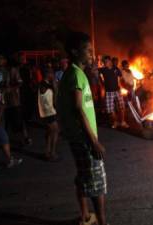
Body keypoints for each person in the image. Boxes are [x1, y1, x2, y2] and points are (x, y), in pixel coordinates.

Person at [58, 32, 108, 225]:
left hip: (78, 137)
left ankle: (86, 216)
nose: (92, 54)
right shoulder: (75, 75)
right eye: (88, 50)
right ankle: (102, 223)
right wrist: (94, 141)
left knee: (83, 177)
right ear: (74, 51)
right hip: (84, 139)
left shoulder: (74, 73)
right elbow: (78, 109)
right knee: (97, 183)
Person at [5, 59, 32, 148]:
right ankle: (5, 141)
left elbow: (20, 83)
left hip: (14, 100)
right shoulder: (4, 71)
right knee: (9, 121)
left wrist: (10, 88)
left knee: (18, 120)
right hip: (7, 100)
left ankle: (25, 138)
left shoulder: (13, 70)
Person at [99, 56, 128, 128]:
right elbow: (96, 72)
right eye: (104, 62)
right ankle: (115, 122)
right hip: (108, 92)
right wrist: (101, 82)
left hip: (117, 90)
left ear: (110, 62)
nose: (105, 63)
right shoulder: (103, 70)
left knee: (121, 107)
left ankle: (122, 122)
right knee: (110, 109)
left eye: (106, 62)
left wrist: (124, 86)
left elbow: (121, 78)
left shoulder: (116, 69)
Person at [38, 68, 59, 161]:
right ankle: (52, 153)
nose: (53, 75)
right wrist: (55, 86)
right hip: (48, 112)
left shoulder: (45, 84)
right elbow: (55, 98)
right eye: (52, 74)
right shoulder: (44, 84)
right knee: (55, 131)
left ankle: (48, 152)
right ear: (48, 74)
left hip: (48, 111)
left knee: (49, 132)